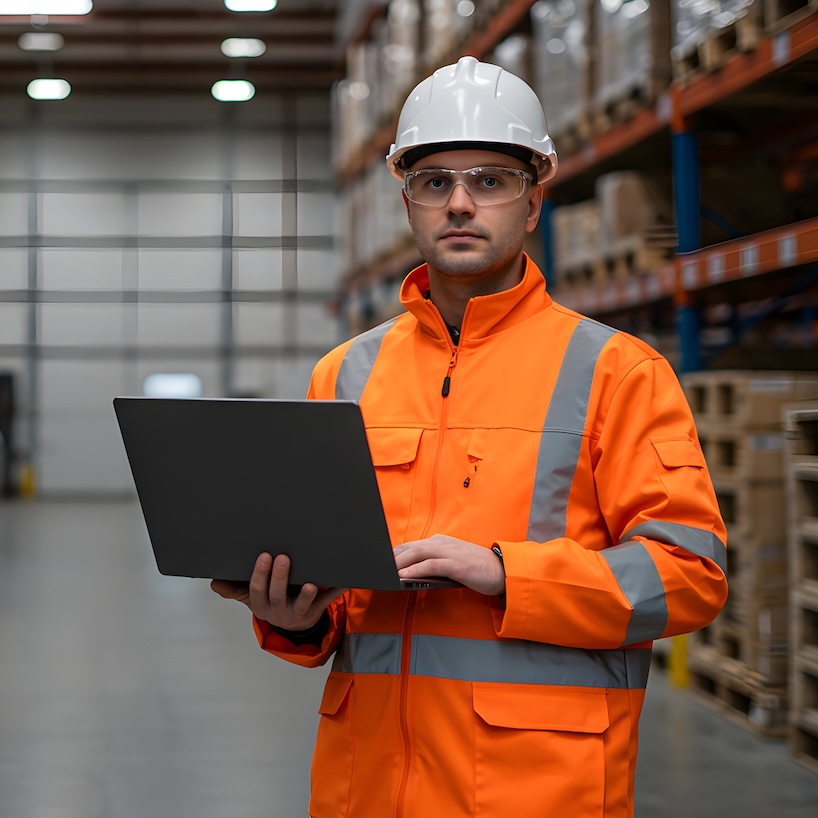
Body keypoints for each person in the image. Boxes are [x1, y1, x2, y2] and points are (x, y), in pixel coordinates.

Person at [210, 57, 727, 818]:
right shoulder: (345, 374)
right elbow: (341, 604)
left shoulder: (618, 372)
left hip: (540, 790)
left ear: (532, 203)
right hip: (369, 789)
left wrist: (504, 573)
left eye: (490, 180)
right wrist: (298, 617)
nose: (459, 203)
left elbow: (688, 576)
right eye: (434, 182)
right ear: (408, 203)